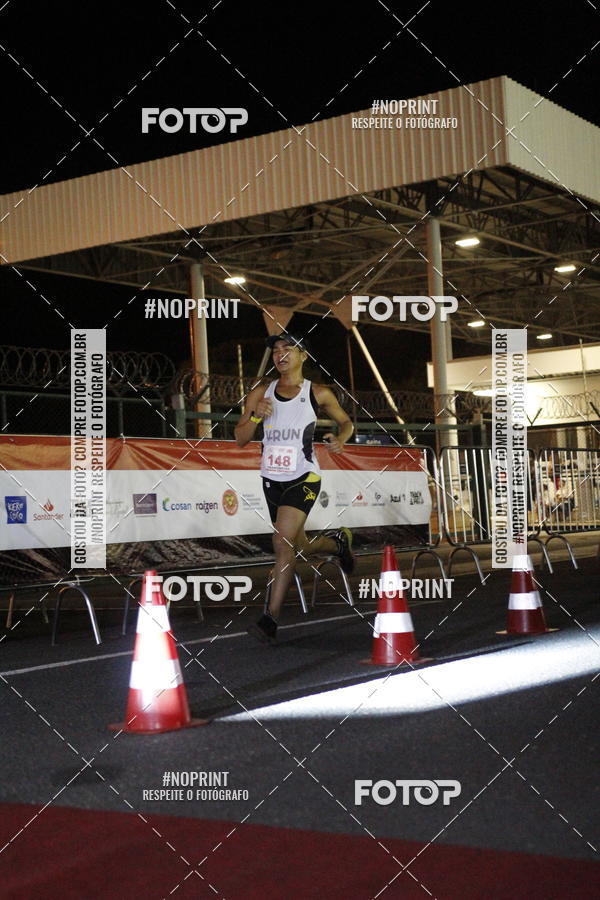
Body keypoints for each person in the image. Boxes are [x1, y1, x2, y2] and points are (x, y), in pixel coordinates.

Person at [235, 332, 355, 644]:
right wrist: (256, 417)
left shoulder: (317, 392)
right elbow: (241, 437)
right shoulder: (261, 392)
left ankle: (269, 619)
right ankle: (336, 544)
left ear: (304, 356)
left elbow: (346, 423)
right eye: (276, 350)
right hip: (271, 479)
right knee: (295, 545)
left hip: (304, 476)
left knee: (281, 541)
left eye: (289, 348)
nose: (281, 354)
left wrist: (341, 439)